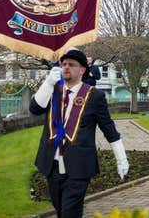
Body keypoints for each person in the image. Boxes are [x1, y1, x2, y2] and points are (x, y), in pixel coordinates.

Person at [30, 48, 129, 218]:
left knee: (70, 213)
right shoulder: (53, 90)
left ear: (82, 70)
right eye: (64, 64)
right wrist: (47, 83)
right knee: (61, 211)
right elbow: (34, 109)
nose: (66, 67)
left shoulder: (95, 96)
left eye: (71, 65)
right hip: (52, 165)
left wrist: (121, 159)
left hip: (78, 168)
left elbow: (109, 129)